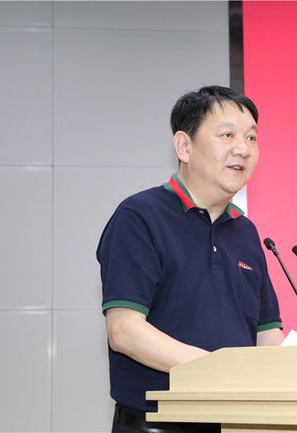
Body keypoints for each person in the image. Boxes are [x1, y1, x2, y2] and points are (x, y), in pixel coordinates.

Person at [97, 86, 285, 433]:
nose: (243, 149)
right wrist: (217, 370)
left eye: (251, 138)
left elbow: (266, 333)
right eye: (227, 135)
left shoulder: (245, 231)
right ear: (184, 146)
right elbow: (124, 330)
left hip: (238, 422)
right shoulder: (140, 216)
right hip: (157, 423)